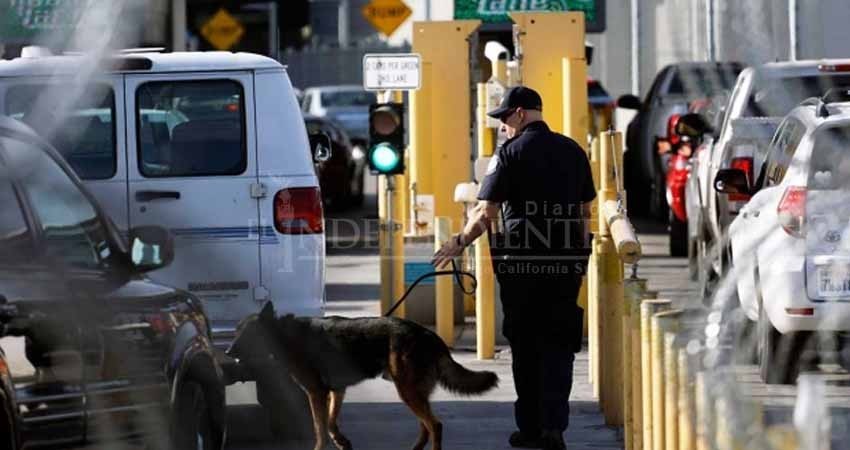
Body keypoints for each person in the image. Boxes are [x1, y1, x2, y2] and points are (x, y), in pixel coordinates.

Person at [432, 85, 596, 450]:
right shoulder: (573, 151)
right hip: (565, 266)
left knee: (525, 347)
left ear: (520, 113)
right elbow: (586, 213)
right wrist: (579, 260)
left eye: (505, 119)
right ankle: (555, 429)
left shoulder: (508, 154)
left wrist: (457, 243)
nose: (503, 127)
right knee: (558, 345)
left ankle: (531, 428)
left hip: (521, 265)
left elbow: (485, 213)